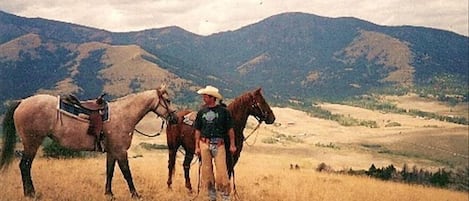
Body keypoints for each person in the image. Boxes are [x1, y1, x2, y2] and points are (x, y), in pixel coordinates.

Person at [194, 85, 236, 201]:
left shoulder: (224, 112)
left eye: (205, 96)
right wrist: (197, 146)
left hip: (219, 144)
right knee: (206, 172)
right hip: (204, 144)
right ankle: (211, 196)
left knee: (222, 172)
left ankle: (225, 197)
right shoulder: (201, 112)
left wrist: (232, 144)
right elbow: (198, 130)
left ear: (212, 98)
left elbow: (230, 129)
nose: (203, 98)